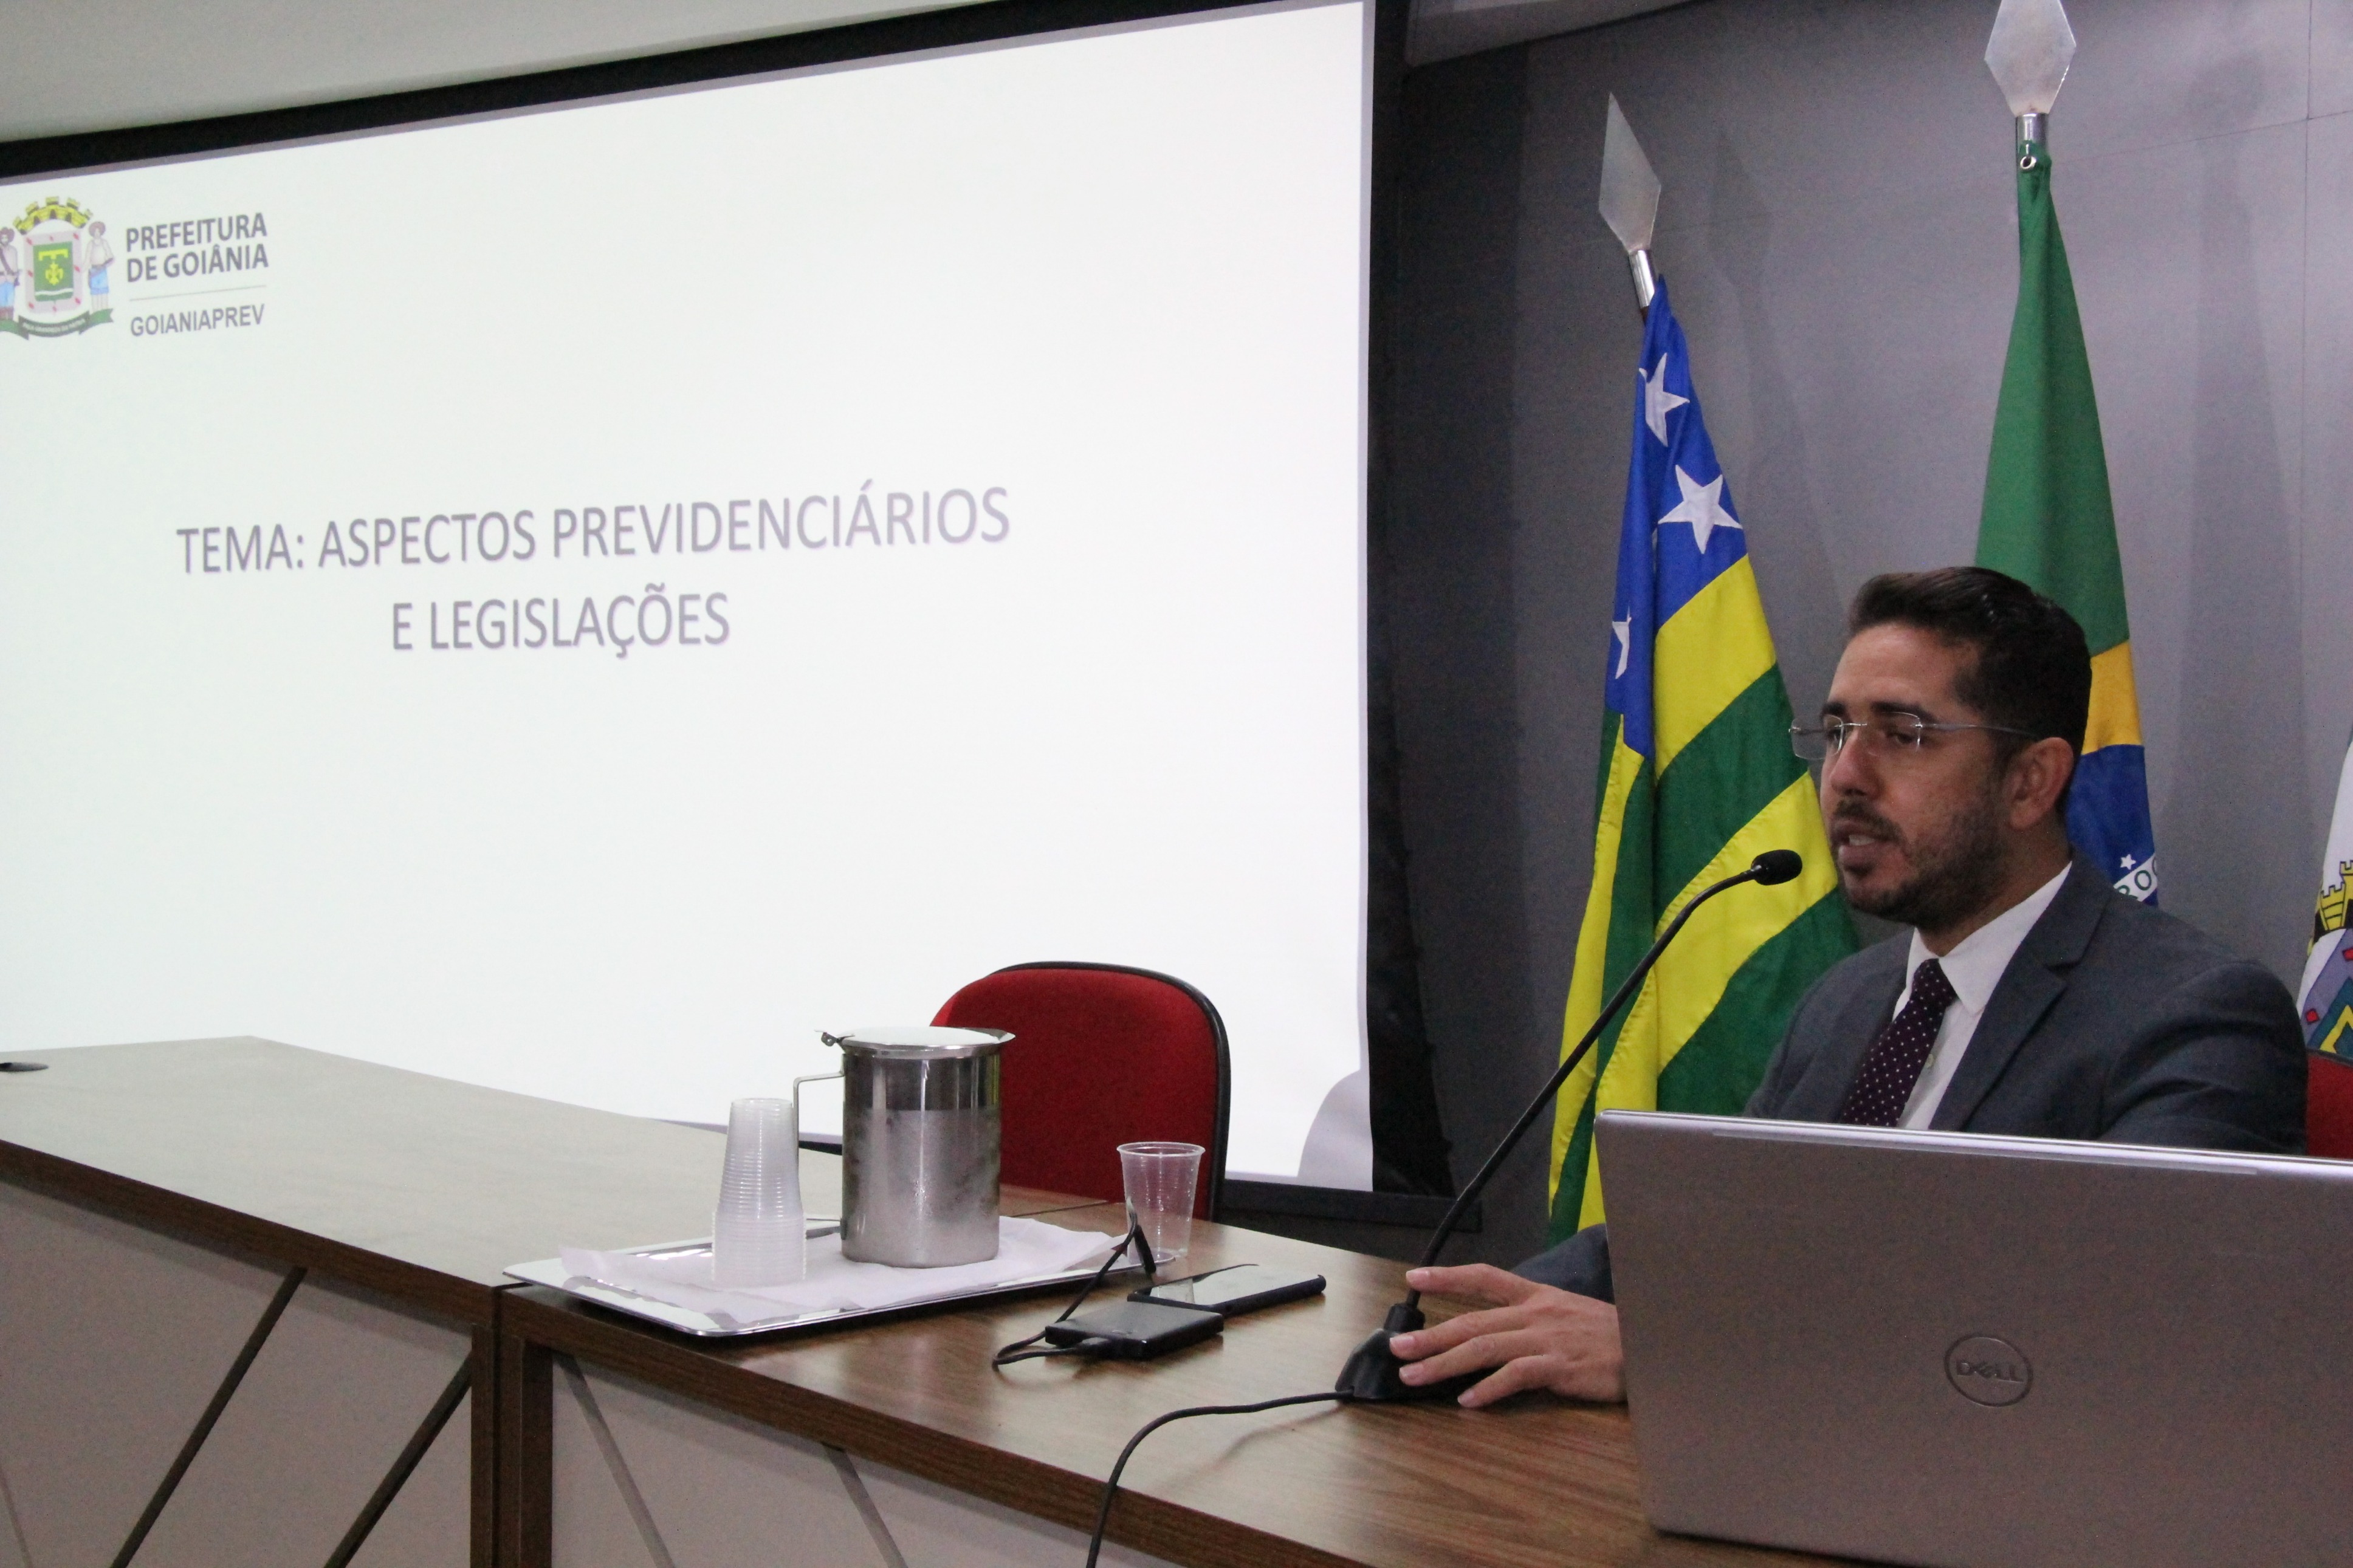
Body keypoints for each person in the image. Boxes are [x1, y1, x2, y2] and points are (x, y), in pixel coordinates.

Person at [1390, 566, 2306, 1406]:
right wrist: (1460, 1323)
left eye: (1903, 735)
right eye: (1835, 733)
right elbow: (1711, 1229)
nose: (1845, 777)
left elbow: (2113, 1325)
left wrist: (1676, 1353)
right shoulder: (1848, 1000)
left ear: (2032, 782)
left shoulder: (2193, 1015)